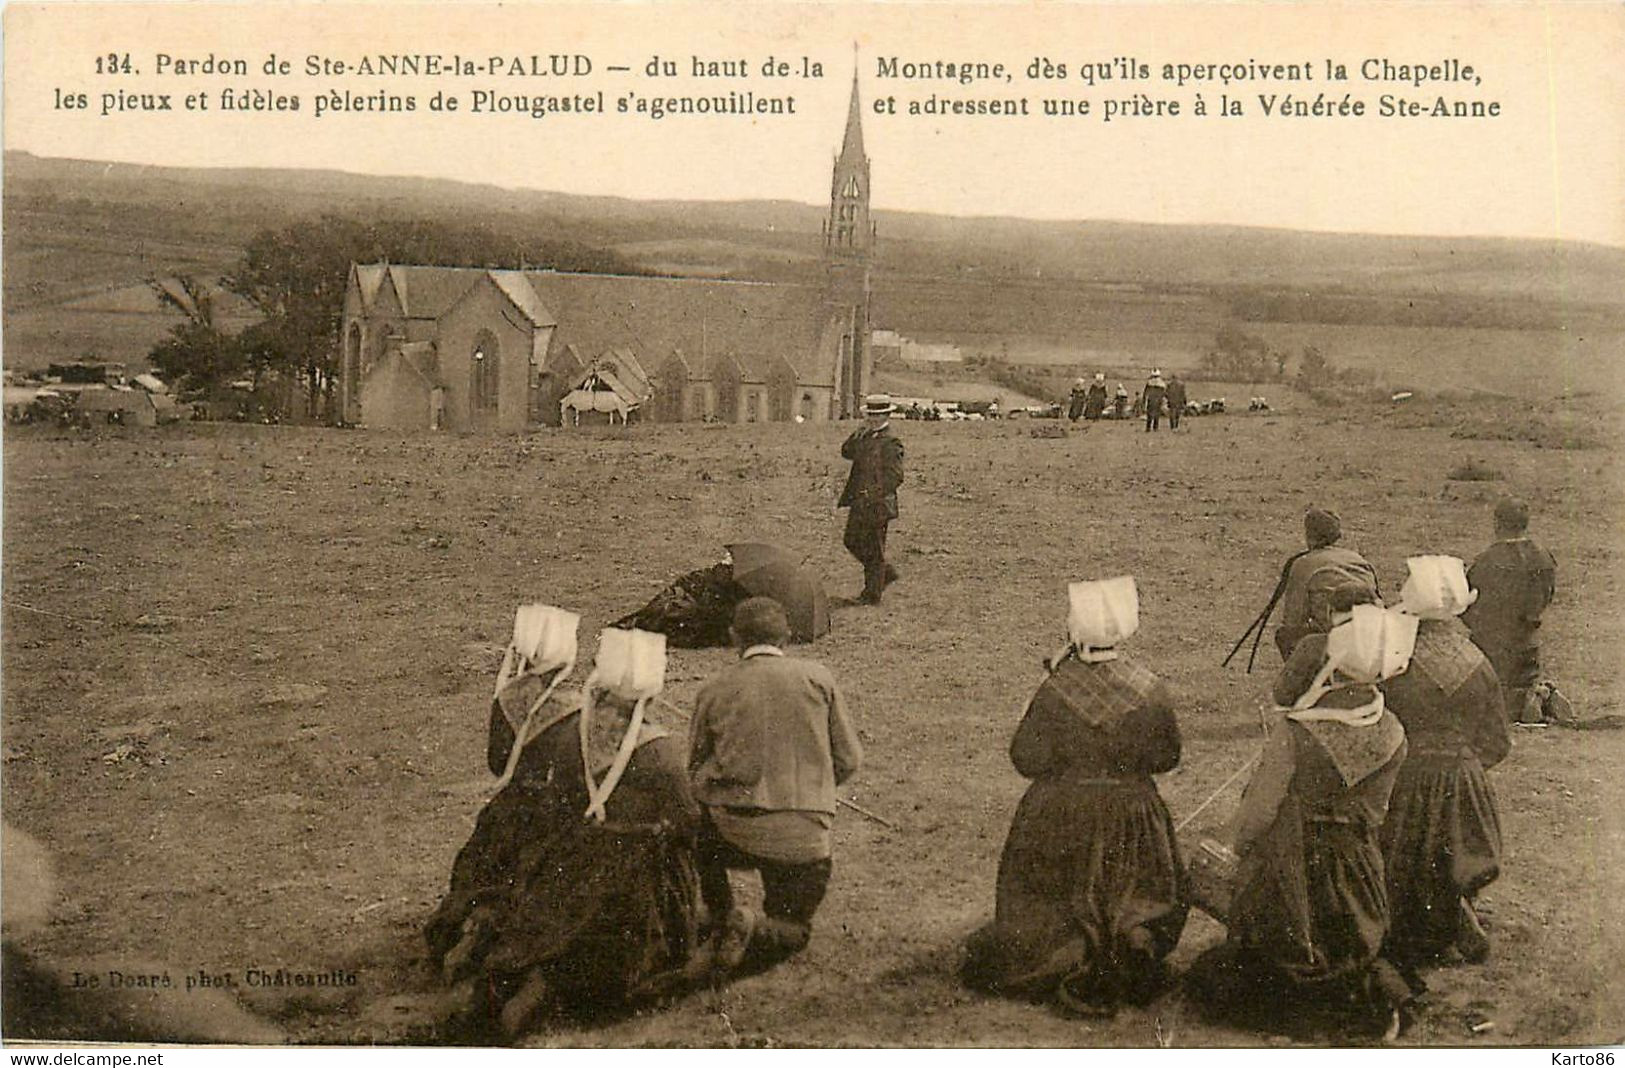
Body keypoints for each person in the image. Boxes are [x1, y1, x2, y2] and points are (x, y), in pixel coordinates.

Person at [425, 663, 704, 1036]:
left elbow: (561, 803)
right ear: (648, 699)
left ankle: (497, 964)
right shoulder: (659, 750)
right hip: (633, 868)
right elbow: (687, 820)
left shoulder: (574, 734)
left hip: (574, 856)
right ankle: (547, 988)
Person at [1189, 602, 1417, 1040]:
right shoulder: (1393, 731)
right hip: (1358, 868)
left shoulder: (1298, 731)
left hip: (1291, 865)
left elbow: (1260, 809)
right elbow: (1379, 812)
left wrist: (1234, 849)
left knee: (1240, 971)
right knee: (1351, 947)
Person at [963, 577, 1186, 1016]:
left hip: (1062, 814)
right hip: (1132, 817)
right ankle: (1130, 938)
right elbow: (1166, 756)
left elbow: (1025, 758)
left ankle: (1065, 945)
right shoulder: (1149, 688)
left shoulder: (1055, 689)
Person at [687, 598, 864, 979]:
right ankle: (754, 925)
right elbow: (849, 760)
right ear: (786, 636)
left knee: (693, 825)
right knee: (794, 927)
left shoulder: (714, 689)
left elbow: (693, 769)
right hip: (805, 834)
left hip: (733, 829)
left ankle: (723, 914)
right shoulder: (819, 679)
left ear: (734, 637)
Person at [1380, 555, 1508, 969]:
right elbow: (1498, 740)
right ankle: (1456, 907)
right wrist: (1467, 764)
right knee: (1455, 852)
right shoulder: (1479, 663)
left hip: (1410, 774)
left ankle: (1432, 921)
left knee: (1402, 860)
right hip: (1463, 774)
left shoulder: (1397, 660)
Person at [1461, 497, 1559, 724]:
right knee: (1519, 682)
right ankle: (1536, 695)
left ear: (1497, 523)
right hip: (1529, 647)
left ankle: (1521, 702)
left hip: (1492, 648)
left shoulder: (1486, 562)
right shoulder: (1544, 558)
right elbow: (1547, 597)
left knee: (1481, 698)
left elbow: (1466, 605)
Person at [1272, 508, 1380, 661]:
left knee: (1285, 636)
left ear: (1309, 535)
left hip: (1333, 634)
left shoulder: (1303, 564)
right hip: (1371, 632)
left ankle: (1303, 682)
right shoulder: (1357, 559)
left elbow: (1293, 619)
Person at [838, 393, 905, 605]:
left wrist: (873, 494)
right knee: (851, 540)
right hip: (859, 501)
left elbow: (895, 476)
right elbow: (846, 453)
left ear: (887, 415)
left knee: (874, 548)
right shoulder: (865, 436)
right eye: (871, 415)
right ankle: (884, 573)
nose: (874, 419)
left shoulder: (891, 442)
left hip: (878, 505)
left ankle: (872, 594)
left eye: (879, 415)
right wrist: (857, 433)